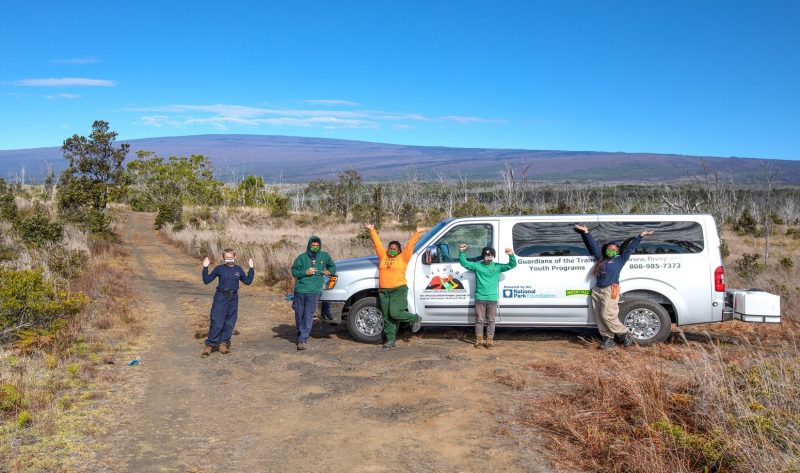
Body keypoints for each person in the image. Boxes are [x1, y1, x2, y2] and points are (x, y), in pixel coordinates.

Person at [574, 224, 654, 349]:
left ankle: (624, 334)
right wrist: (586, 232)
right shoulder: (601, 259)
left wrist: (640, 236)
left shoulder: (620, 259)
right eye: (608, 249)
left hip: (610, 290)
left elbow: (630, 248)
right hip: (597, 291)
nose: (610, 251)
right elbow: (592, 246)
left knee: (608, 315)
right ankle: (608, 339)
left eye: (613, 249)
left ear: (617, 251)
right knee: (600, 317)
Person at [365, 223, 425, 348]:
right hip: (384, 292)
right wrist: (372, 230)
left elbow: (410, 246)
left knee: (395, 313)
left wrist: (417, 233)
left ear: (399, 250)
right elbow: (377, 244)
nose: (392, 250)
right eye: (390, 248)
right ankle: (390, 340)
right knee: (387, 317)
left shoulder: (403, 258)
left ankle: (415, 318)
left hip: (398, 290)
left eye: (394, 249)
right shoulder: (383, 256)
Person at [459, 244, 517, 348]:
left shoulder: (497, 267)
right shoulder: (477, 266)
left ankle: (489, 340)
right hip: (480, 298)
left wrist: (511, 255)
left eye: (490, 255)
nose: (488, 257)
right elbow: (464, 263)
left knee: (491, 320)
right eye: (486, 255)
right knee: (479, 320)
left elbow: (512, 265)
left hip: (492, 298)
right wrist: (462, 252)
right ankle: (479, 340)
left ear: (493, 256)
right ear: (483, 256)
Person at [201, 249, 255, 357]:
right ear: (224, 258)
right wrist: (205, 267)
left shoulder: (238, 269)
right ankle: (209, 346)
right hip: (220, 297)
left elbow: (248, 281)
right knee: (217, 321)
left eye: (230, 257)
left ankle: (223, 344)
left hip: (233, 297)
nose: (228, 259)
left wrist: (251, 268)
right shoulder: (219, 269)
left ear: (235, 257)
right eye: (226, 257)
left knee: (230, 322)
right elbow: (206, 280)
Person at [290, 236, 336, 350]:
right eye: (313, 245)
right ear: (309, 245)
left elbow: (332, 266)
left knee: (308, 314)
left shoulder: (324, 256)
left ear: (319, 246)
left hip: (314, 291)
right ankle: (300, 332)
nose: (315, 247)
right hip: (300, 290)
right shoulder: (301, 257)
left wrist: (329, 272)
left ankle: (302, 339)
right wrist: (305, 272)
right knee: (299, 314)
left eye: (317, 246)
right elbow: (294, 271)